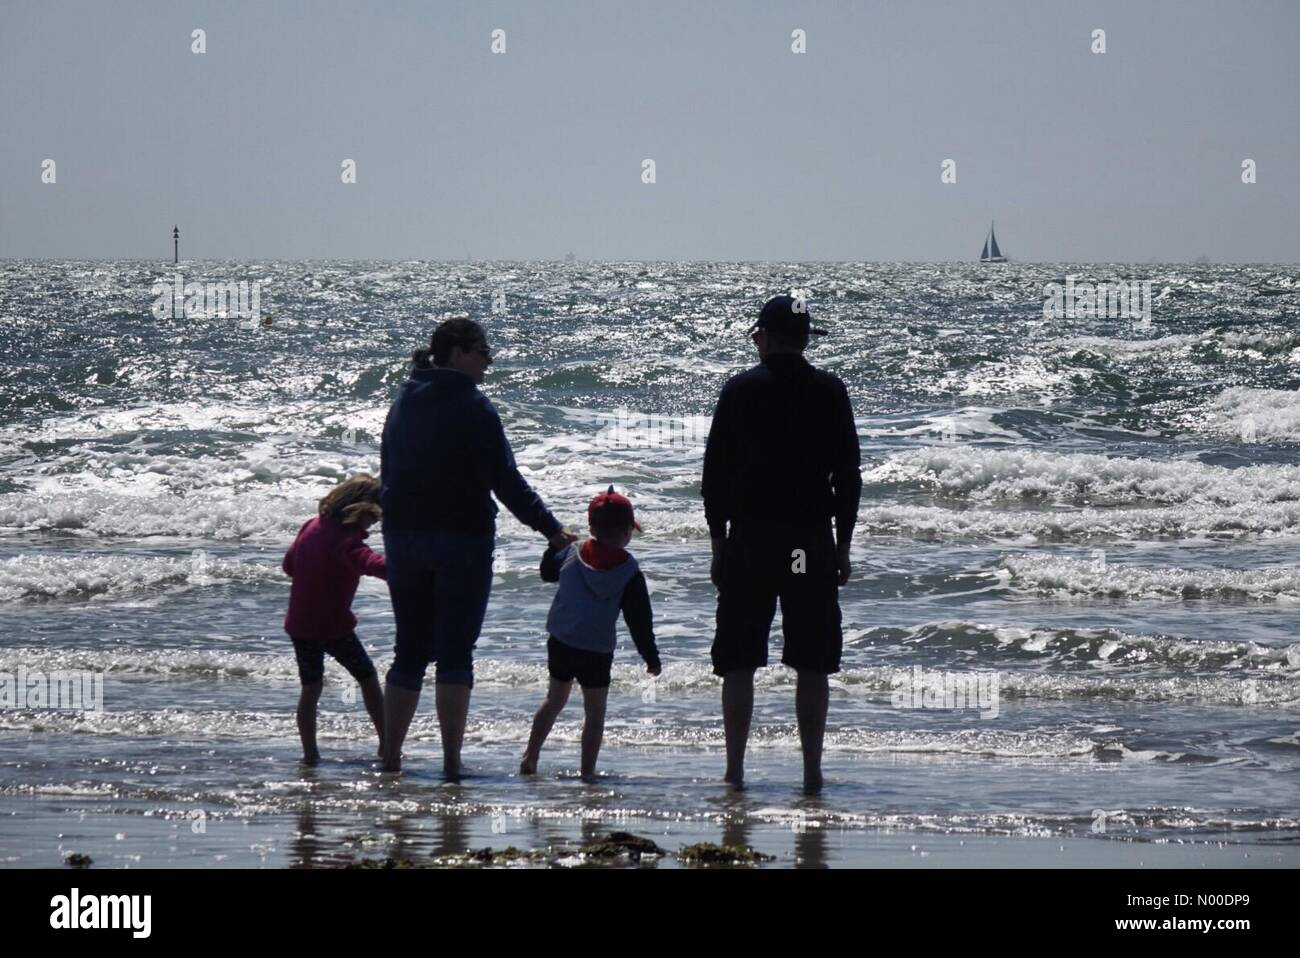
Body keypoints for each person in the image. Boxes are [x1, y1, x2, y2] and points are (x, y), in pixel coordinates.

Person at [379, 317, 575, 776]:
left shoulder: (404, 400)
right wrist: (551, 529)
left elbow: (389, 470)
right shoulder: (474, 407)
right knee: (454, 652)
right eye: (484, 352)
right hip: (461, 540)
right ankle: (450, 762)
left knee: (408, 650)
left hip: (404, 537)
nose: (490, 361)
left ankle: (389, 758)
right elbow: (505, 480)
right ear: (458, 353)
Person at [701, 294, 862, 792]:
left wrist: (718, 542)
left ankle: (734, 770)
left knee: (740, 661)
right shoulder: (829, 391)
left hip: (751, 541)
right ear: (806, 339)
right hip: (805, 545)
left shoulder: (740, 391)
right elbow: (848, 477)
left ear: (765, 338)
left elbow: (715, 478)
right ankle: (812, 772)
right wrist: (842, 546)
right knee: (812, 661)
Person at [520, 486, 662, 781]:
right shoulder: (630, 572)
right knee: (595, 713)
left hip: (561, 641)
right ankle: (587, 773)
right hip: (596, 651)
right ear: (626, 532)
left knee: (554, 699)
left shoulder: (571, 554)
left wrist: (555, 547)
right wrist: (650, 657)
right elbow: (639, 621)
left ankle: (531, 755)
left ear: (591, 526)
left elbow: (546, 572)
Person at [282, 474, 388, 765]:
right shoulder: (348, 541)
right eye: (372, 517)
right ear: (359, 510)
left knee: (311, 689)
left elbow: (289, 566)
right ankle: (386, 743)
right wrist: (407, 566)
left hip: (301, 625)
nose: (374, 524)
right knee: (367, 678)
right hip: (332, 628)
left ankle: (310, 755)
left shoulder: (310, 527)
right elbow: (373, 564)